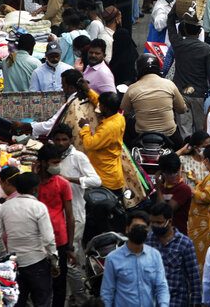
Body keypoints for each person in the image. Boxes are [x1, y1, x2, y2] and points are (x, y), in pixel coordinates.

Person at [0, 172, 57, 307]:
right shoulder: (39, 207)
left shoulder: (4, 208)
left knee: (17, 302)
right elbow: (48, 239)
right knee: (42, 302)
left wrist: (5, 259)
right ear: (34, 189)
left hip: (15, 265)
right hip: (37, 262)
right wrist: (54, 261)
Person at [100, 212, 170, 307]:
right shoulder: (112, 259)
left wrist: (164, 305)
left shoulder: (155, 256)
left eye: (143, 227)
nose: (140, 230)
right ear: (127, 229)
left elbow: (161, 286)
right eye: (136, 226)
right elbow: (107, 292)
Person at [167, 7, 210, 135]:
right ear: (199, 31)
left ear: (183, 29)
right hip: (199, 95)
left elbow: (170, 24)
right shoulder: (206, 49)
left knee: (185, 129)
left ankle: (187, 152)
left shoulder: (178, 44)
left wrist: (176, 8)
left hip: (181, 94)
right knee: (200, 129)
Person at [51, 123, 100, 257]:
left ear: (71, 140)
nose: (61, 143)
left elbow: (96, 181)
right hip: (56, 213)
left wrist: (69, 179)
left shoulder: (78, 157)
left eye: (64, 139)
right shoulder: (52, 156)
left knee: (72, 250)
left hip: (75, 211)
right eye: (58, 140)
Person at [35, 145, 74, 307]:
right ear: (43, 163)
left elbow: (70, 217)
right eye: (53, 162)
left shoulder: (63, 184)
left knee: (59, 283)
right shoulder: (33, 183)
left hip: (60, 239)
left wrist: (70, 246)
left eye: (58, 162)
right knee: (39, 283)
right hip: (37, 240)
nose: (57, 166)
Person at [121, 54, 187, 143]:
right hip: (169, 134)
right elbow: (182, 109)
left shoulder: (132, 88)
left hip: (142, 135)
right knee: (181, 150)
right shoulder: (169, 84)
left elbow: (123, 111)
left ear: (138, 69)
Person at [147, 201, 201, 307]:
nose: (154, 226)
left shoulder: (184, 244)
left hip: (176, 301)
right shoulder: (148, 241)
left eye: (159, 223)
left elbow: (194, 280)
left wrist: (196, 303)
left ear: (169, 221)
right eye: (152, 222)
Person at [79, 92, 126, 195]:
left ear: (105, 108)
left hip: (105, 179)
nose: (98, 106)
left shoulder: (108, 128)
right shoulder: (118, 117)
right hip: (111, 175)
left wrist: (85, 126)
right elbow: (99, 101)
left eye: (100, 105)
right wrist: (88, 91)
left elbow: (89, 144)